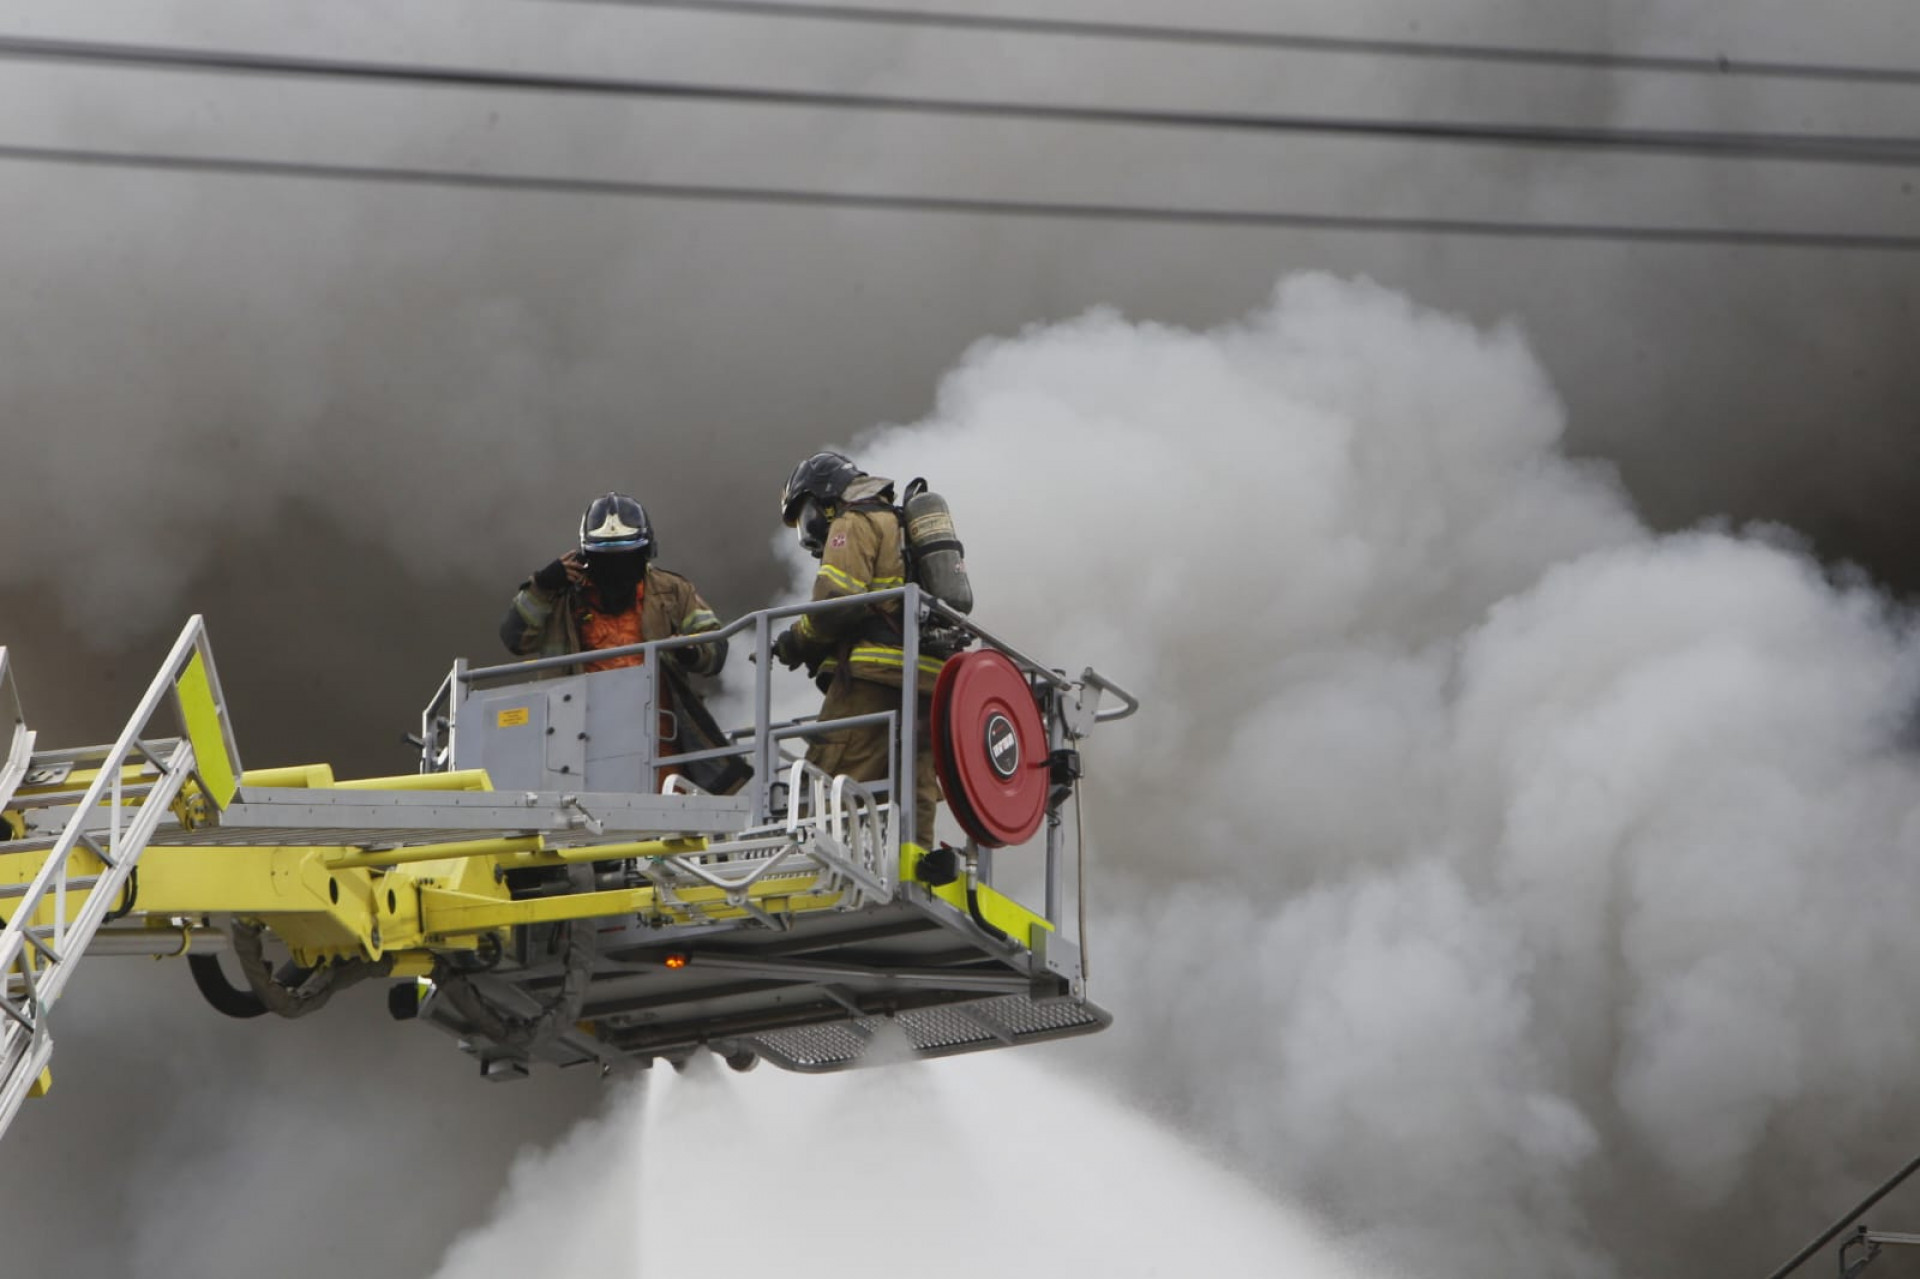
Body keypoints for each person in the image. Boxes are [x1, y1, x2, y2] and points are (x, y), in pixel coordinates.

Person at [501, 492, 736, 788]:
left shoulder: (672, 591)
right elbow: (515, 639)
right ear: (587, 557)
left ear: (645, 553)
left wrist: (691, 651)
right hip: (578, 747)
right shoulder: (561, 596)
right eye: (606, 561)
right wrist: (542, 587)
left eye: (626, 558)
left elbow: (716, 647)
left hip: (660, 747)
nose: (616, 571)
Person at [771, 451, 946, 847]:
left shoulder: (853, 521)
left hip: (874, 675)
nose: (808, 530)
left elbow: (838, 602)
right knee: (912, 783)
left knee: (830, 773)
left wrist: (796, 641)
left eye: (806, 514)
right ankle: (913, 863)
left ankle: (814, 860)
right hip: (927, 680)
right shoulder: (900, 524)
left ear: (826, 498)